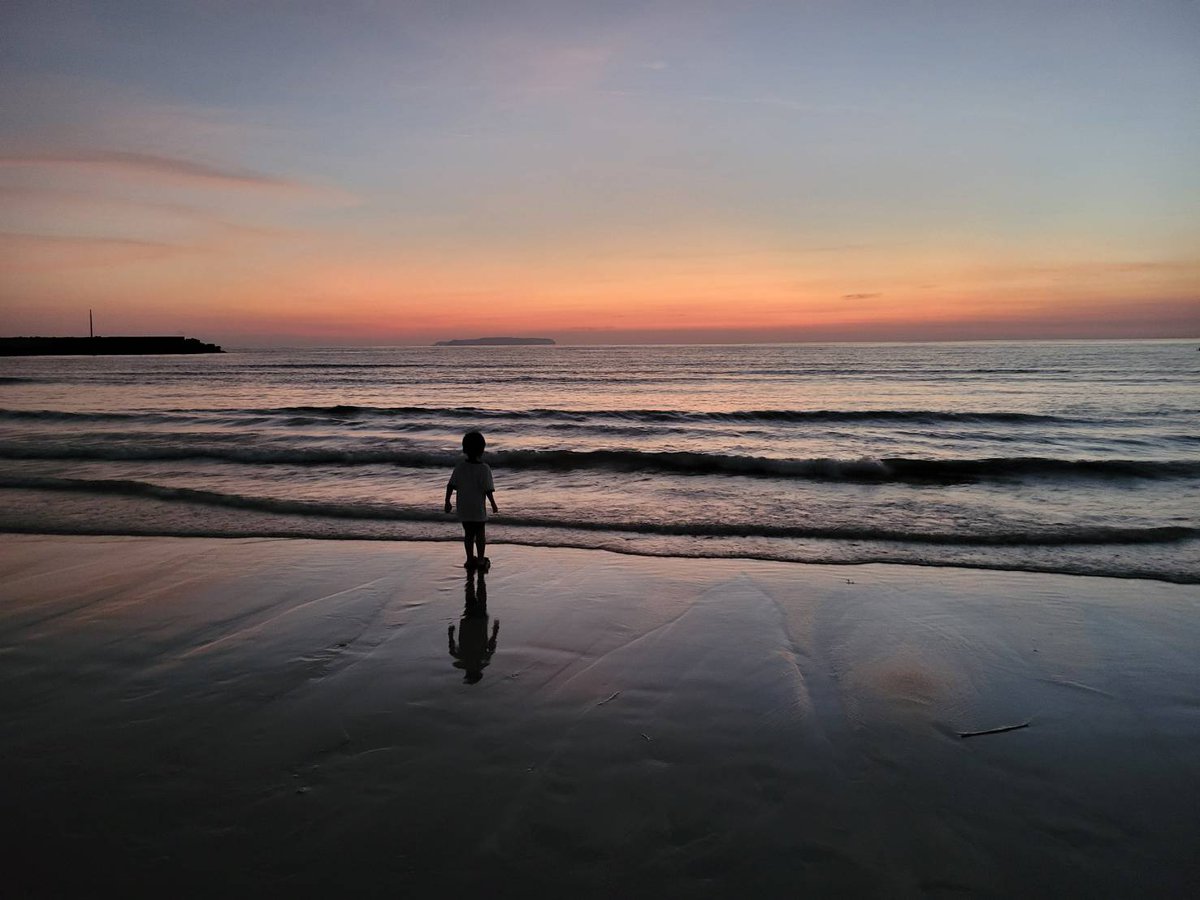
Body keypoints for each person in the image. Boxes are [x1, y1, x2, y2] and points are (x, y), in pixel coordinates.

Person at [444, 430, 498, 570]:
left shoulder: (460, 467)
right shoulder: (484, 468)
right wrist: (493, 504)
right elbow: (488, 490)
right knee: (480, 533)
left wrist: (447, 502)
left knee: (468, 534)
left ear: (464, 449)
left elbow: (451, 486)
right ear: (482, 449)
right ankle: (480, 560)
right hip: (477, 508)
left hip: (464, 507)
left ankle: (469, 559)